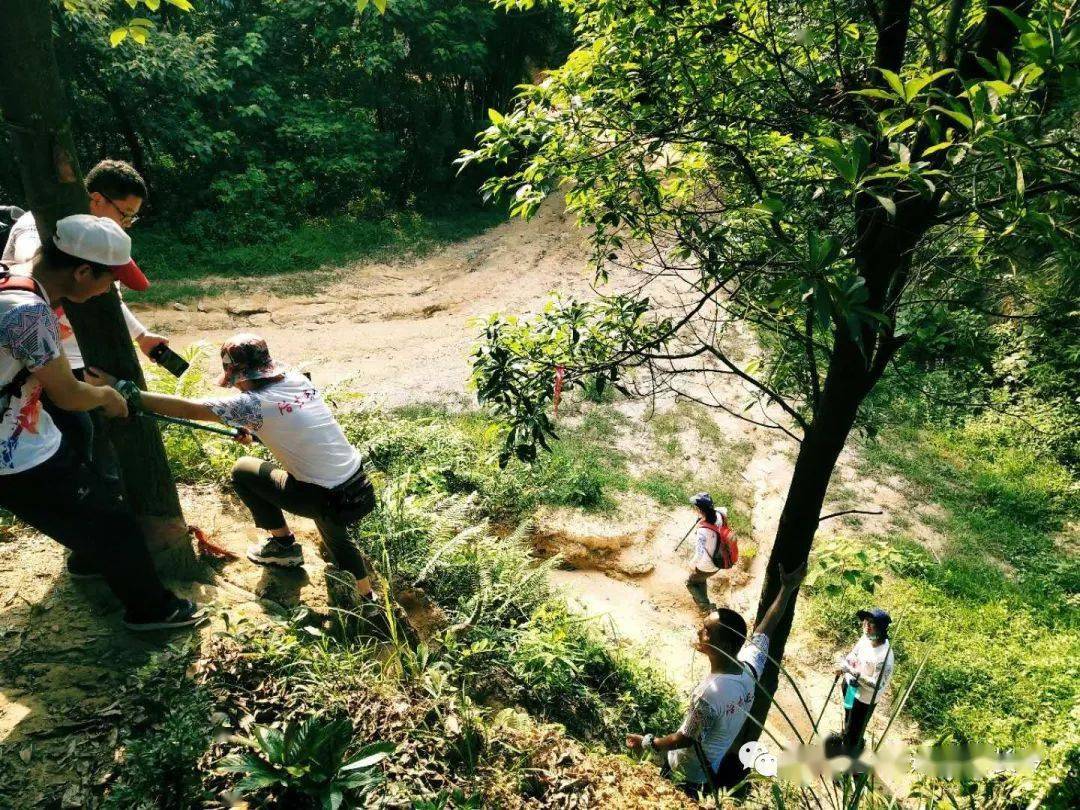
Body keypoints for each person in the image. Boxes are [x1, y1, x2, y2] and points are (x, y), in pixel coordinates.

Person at [0, 214, 205, 630]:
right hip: (12, 451)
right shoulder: (28, 313)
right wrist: (108, 396)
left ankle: (90, 559)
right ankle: (154, 611)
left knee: (83, 508)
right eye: (107, 281)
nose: (107, 291)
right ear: (81, 271)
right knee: (114, 524)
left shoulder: (12, 279)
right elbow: (69, 394)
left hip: (23, 431)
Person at [86, 334, 379, 601]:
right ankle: (368, 601)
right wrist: (252, 427)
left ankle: (284, 547)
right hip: (358, 485)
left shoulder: (252, 404)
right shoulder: (296, 380)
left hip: (326, 499)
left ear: (239, 376)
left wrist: (121, 389)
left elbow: (190, 408)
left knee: (244, 470)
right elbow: (294, 423)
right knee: (335, 530)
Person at [3, 161, 168, 470]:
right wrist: (105, 396)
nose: (128, 223)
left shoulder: (94, 245)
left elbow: (104, 295)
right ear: (96, 199)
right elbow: (42, 273)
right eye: (125, 214)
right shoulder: (41, 230)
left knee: (81, 437)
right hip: (39, 363)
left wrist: (141, 336)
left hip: (67, 361)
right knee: (67, 440)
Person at [627, 563, 807, 796]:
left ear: (724, 645)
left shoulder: (709, 693)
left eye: (707, 631)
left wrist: (648, 742)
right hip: (709, 770)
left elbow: (685, 739)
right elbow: (766, 628)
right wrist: (787, 588)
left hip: (686, 772)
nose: (700, 632)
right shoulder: (750, 668)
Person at [835, 607, 895, 755]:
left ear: (881, 628)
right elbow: (853, 654)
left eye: (872, 623)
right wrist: (843, 666)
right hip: (851, 688)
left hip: (864, 700)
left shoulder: (884, 657)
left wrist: (852, 672)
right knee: (848, 718)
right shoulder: (866, 638)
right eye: (865, 621)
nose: (866, 626)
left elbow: (877, 685)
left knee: (855, 731)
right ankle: (850, 740)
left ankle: (851, 760)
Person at [685, 492, 730, 612]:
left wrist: (692, 563)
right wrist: (705, 516)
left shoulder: (702, 531)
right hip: (719, 561)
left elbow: (699, 553)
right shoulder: (720, 516)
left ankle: (706, 607)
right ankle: (704, 600)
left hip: (706, 566)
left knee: (690, 583)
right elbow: (723, 509)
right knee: (701, 579)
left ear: (699, 510)